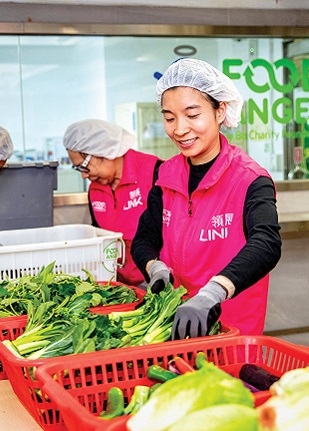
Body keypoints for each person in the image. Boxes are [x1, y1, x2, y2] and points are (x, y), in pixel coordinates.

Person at [131, 58, 282, 339]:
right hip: (175, 325)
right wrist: (155, 267)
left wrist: (214, 292)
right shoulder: (166, 175)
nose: (179, 129)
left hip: (232, 330)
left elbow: (267, 243)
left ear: (220, 111)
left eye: (192, 114)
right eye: (169, 117)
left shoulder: (249, 178)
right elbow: (144, 239)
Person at [63, 119, 163, 286]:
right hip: (118, 283)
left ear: (103, 152)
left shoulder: (154, 172)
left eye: (83, 167)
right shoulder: (95, 190)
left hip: (156, 280)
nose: (84, 176)